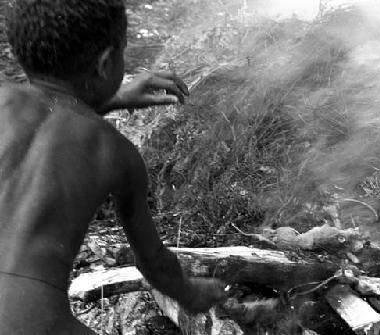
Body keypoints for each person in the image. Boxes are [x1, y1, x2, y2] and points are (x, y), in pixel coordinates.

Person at [0, 0, 227, 334]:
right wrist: (192, 293)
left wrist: (113, 98)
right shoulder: (118, 154)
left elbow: (47, 120)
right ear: (106, 62)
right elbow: (154, 265)